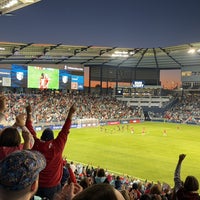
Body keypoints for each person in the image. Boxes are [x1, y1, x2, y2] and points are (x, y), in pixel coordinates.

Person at [26, 103, 76, 200]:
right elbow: (65, 130)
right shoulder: (57, 146)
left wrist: (28, 112)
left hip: (36, 185)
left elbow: (29, 128)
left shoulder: (35, 144)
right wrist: (70, 112)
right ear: (52, 139)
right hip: (52, 186)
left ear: (41, 137)